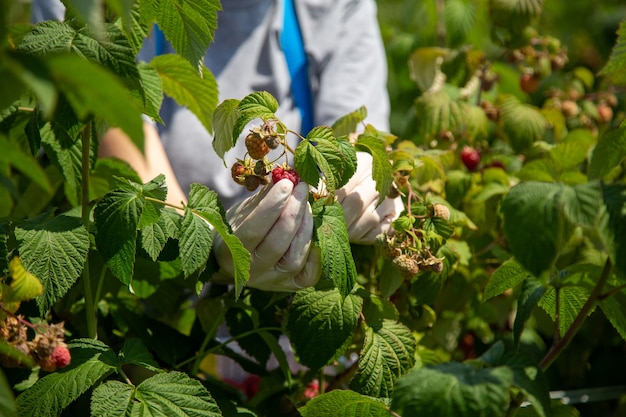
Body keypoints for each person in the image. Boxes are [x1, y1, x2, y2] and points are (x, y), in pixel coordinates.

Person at [30, 0, 401, 292]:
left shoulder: (334, 6)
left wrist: (360, 179)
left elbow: (350, 135)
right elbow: (127, 160)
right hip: (158, 310)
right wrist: (212, 250)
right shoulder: (99, 10)